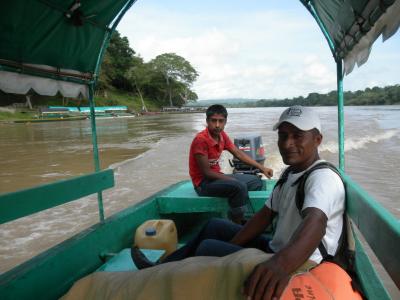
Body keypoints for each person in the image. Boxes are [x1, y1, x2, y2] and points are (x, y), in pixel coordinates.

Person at [132, 105, 345, 300]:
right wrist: (233, 247)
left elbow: (316, 223)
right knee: (214, 226)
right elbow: (264, 216)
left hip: (301, 261)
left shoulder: (322, 177)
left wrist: (279, 265)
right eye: (283, 136)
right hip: (277, 247)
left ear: (318, 140)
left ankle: (169, 281)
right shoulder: (292, 173)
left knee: (207, 247)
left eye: (298, 136)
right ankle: (160, 268)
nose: (288, 143)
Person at [188, 104, 273, 224]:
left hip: (216, 177)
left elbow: (238, 153)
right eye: (213, 121)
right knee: (239, 186)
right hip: (203, 184)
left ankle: (244, 213)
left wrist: (262, 167)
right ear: (207, 121)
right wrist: (232, 181)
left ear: (225, 122)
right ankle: (236, 222)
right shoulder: (201, 140)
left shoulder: (222, 136)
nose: (217, 125)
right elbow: (206, 173)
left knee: (256, 182)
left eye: (221, 121)